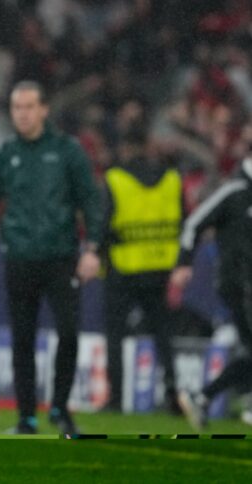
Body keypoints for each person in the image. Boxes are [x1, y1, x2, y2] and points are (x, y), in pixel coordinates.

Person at [0, 80, 102, 435]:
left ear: (43, 110)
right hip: (19, 258)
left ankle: (60, 408)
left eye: (28, 107)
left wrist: (93, 248)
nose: (22, 114)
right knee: (22, 338)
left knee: (68, 333)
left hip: (61, 257)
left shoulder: (68, 151)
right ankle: (26, 417)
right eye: (16, 108)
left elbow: (91, 201)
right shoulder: (5, 154)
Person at [100, 129, 183, 414]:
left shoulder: (115, 178)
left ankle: (115, 398)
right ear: (148, 146)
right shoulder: (172, 179)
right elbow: (183, 220)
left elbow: (103, 224)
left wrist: (99, 254)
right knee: (162, 334)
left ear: (124, 147)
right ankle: (173, 395)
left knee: (116, 335)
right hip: (160, 267)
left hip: (124, 267)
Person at [172, 150, 252, 431]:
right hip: (238, 284)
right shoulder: (234, 191)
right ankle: (215, 397)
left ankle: (205, 397)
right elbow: (194, 223)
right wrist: (183, 263)